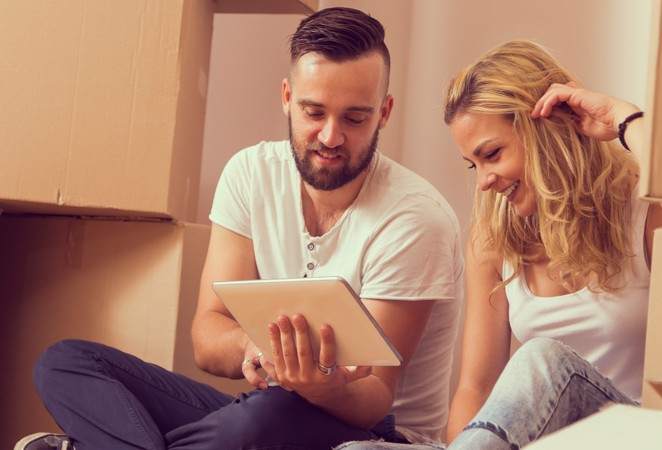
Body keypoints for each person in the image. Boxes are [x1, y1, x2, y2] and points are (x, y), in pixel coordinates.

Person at [18, 7, 464, 450]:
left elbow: (374, 398)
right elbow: (207, 337)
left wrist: (321, 386)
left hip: (379, 437)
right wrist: (254, 348)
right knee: (65, 363)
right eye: (313, 112)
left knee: (262, 418)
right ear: (287, 97)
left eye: (354, 118)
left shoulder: (414, 218)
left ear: (383, 113)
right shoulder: (250, 173)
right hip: (266, 413)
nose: (330, 136)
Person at [337, 40, 662, 450]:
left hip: (636, 434)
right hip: (535, 442)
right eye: (474, 164)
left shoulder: (647, 214)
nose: (483, 181)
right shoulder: (493, 238)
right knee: (358, 449)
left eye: (493, 154)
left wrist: (622, 117)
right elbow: (476, 388)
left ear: (543, 131)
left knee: (544, 357)